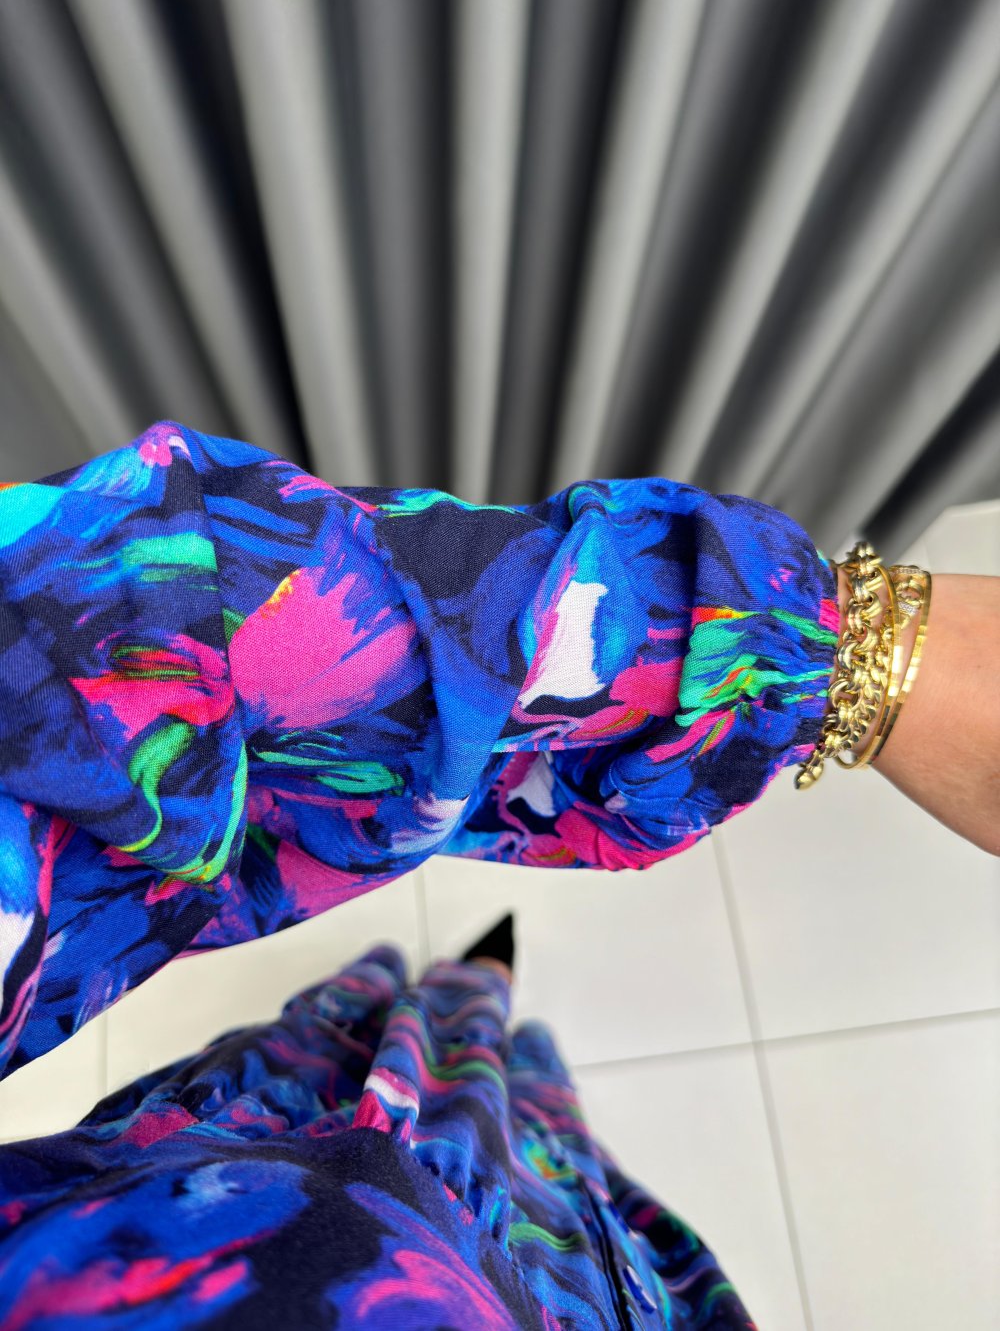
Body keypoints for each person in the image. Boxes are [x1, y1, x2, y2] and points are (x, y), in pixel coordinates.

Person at [0, 421, 995, 1329]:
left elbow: (110, 634)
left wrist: (843, 659)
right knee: (501, 1116)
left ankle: (441, 1001)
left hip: (240, 1181)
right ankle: (468, 1006)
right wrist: (835, 660)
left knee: (374, 1058)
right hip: (538, 1277)